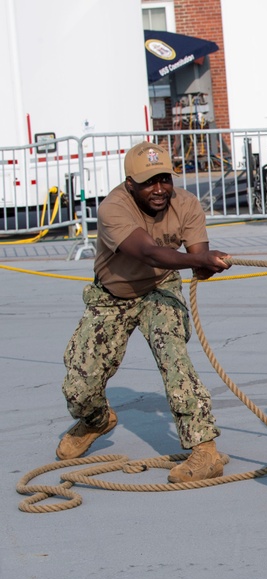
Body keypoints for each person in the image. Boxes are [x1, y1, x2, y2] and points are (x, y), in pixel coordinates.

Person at [57, 141, 232, 483]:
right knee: (79, 387)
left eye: (164, 178)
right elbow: (149, 252)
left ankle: (204, 450)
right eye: (149, 182)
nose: (159, 189)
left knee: (175, 359)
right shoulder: (114, 208)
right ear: (130, 184)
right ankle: (95, 420)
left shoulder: (186, 204)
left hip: (160, 289)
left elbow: (199, 257)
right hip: (113, 294)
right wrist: (197, 260)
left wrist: (207, 263)